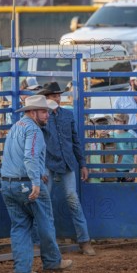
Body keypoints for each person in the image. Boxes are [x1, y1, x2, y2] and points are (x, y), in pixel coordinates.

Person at [0, 95, 73, 273]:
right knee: (45, 221)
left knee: (19, 226)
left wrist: (38, 172)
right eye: (43, 111)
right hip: (26, 183)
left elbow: (14, 156)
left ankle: (22, 270)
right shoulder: (34, 131)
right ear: (32, 112)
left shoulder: (15, 127)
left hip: (8, 184)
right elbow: (30, 156)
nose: (47, 115)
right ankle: (52, 261)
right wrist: (35, 181)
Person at [37, 82, 95, 256]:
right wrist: (39, 169)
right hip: (47, 163)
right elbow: (36, 145)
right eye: (53, 96)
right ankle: (45, 242)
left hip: (66, 162)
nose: (57, 98)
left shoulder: (67, 115)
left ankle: (84, 241)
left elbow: (75, 141)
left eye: (58, 95)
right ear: (46, 99)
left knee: (71, 199)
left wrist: (82, 164)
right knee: (44, 203)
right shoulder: (41, 118)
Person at [111, 113, 137, 182]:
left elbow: (136, 154)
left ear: (125, 122)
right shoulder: (110, 135)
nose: (116, 123)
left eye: (119, 121)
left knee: (128, 191)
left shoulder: (130, 136)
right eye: (115, 120)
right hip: (114, 169)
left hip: (128, 169)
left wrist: (134, 169)